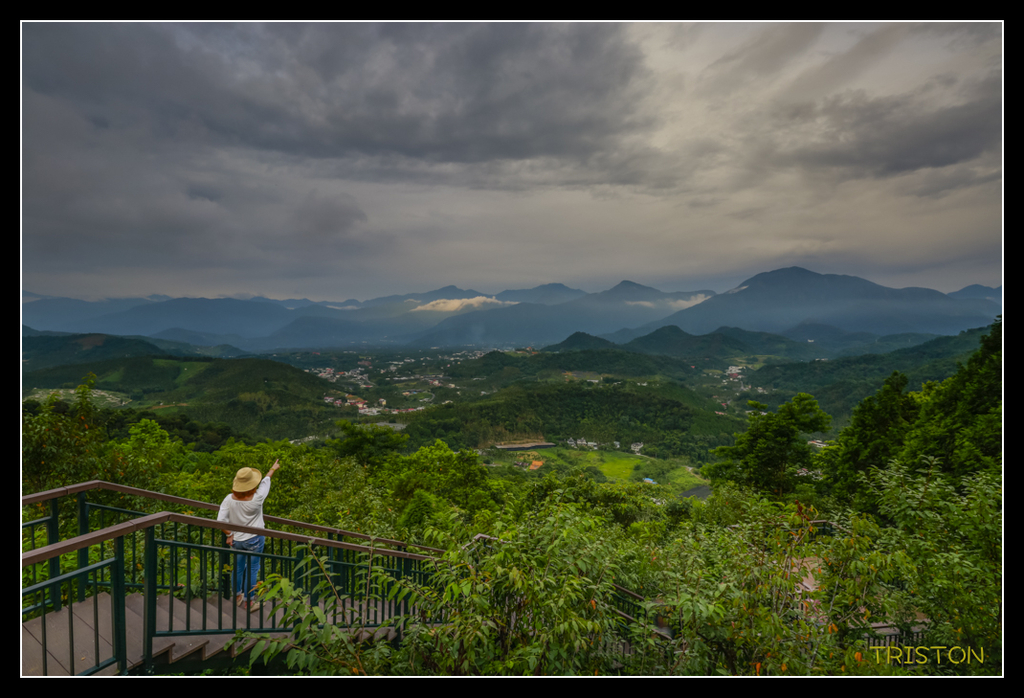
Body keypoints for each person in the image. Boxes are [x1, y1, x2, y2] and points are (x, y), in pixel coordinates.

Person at [218, 459, 281, 611]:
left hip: (237, 541)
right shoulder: (257, 498)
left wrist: (230, 534)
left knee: (238, 568)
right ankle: (249, 602)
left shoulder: (229, 499)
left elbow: (220, 521)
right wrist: (273, 468)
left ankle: (238, 596)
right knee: (253, 569)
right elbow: (266, 482)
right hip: (255, 539)